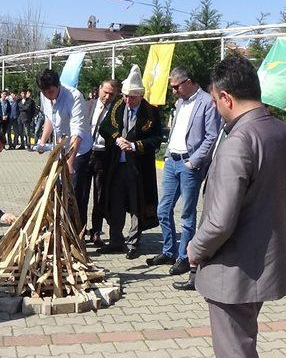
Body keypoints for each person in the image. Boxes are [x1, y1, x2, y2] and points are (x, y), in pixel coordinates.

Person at [186, 55, 286, 357]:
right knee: (243, 343)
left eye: (214, 100)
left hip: (232, 271)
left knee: (234, 350)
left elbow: (220, 220)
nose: (214, 106)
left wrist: (195, 249)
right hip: (263, 264)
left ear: (226, 97)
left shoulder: (239, 140)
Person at [150, 66, 221, 290]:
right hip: (172, 160)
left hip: (190, 164)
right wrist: (168, 154)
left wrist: (195, 160)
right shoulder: (181, 103)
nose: (173, 91)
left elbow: (212, 135)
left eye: (175, 87)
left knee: (187, 214)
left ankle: (184, 257)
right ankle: (169, 251)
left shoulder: (207, 102)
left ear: (188, 82)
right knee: (163, 209)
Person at [96, 65, 162, 260]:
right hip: (116, 164)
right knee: (115, 202)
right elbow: (104, 128)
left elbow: (156, 139)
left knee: (136, 204)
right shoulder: (118, 106)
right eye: (125, 96)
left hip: (138, 167)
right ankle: (116, 240)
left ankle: (133, 242)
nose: (127, 100)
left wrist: (135, 146)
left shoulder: (151, 112)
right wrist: (117, 138)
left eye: (131, 97)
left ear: (140, 95)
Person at [36, 68, 92, 229]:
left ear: (58, 85)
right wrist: (42, 141)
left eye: (51, 91)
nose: (48, 95)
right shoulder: (44, 95)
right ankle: (59, 228)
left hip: (79, 150)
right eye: (45, 92)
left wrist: (70, 161)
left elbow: (78, 132)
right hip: (59, 148)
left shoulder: (74, 97)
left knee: (73, 193)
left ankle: (75, 232)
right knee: (57, 189)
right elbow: (49, 118)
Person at [84, 79, 119, 247]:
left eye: (111, 94)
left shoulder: (116, 110)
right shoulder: (87, 105)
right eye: (105, 92)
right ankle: (80, 229)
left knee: (99, 195)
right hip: (84, 153)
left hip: (103, 155)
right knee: (80, 194)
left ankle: (96, 231)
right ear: (99, 89)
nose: (107, 96)